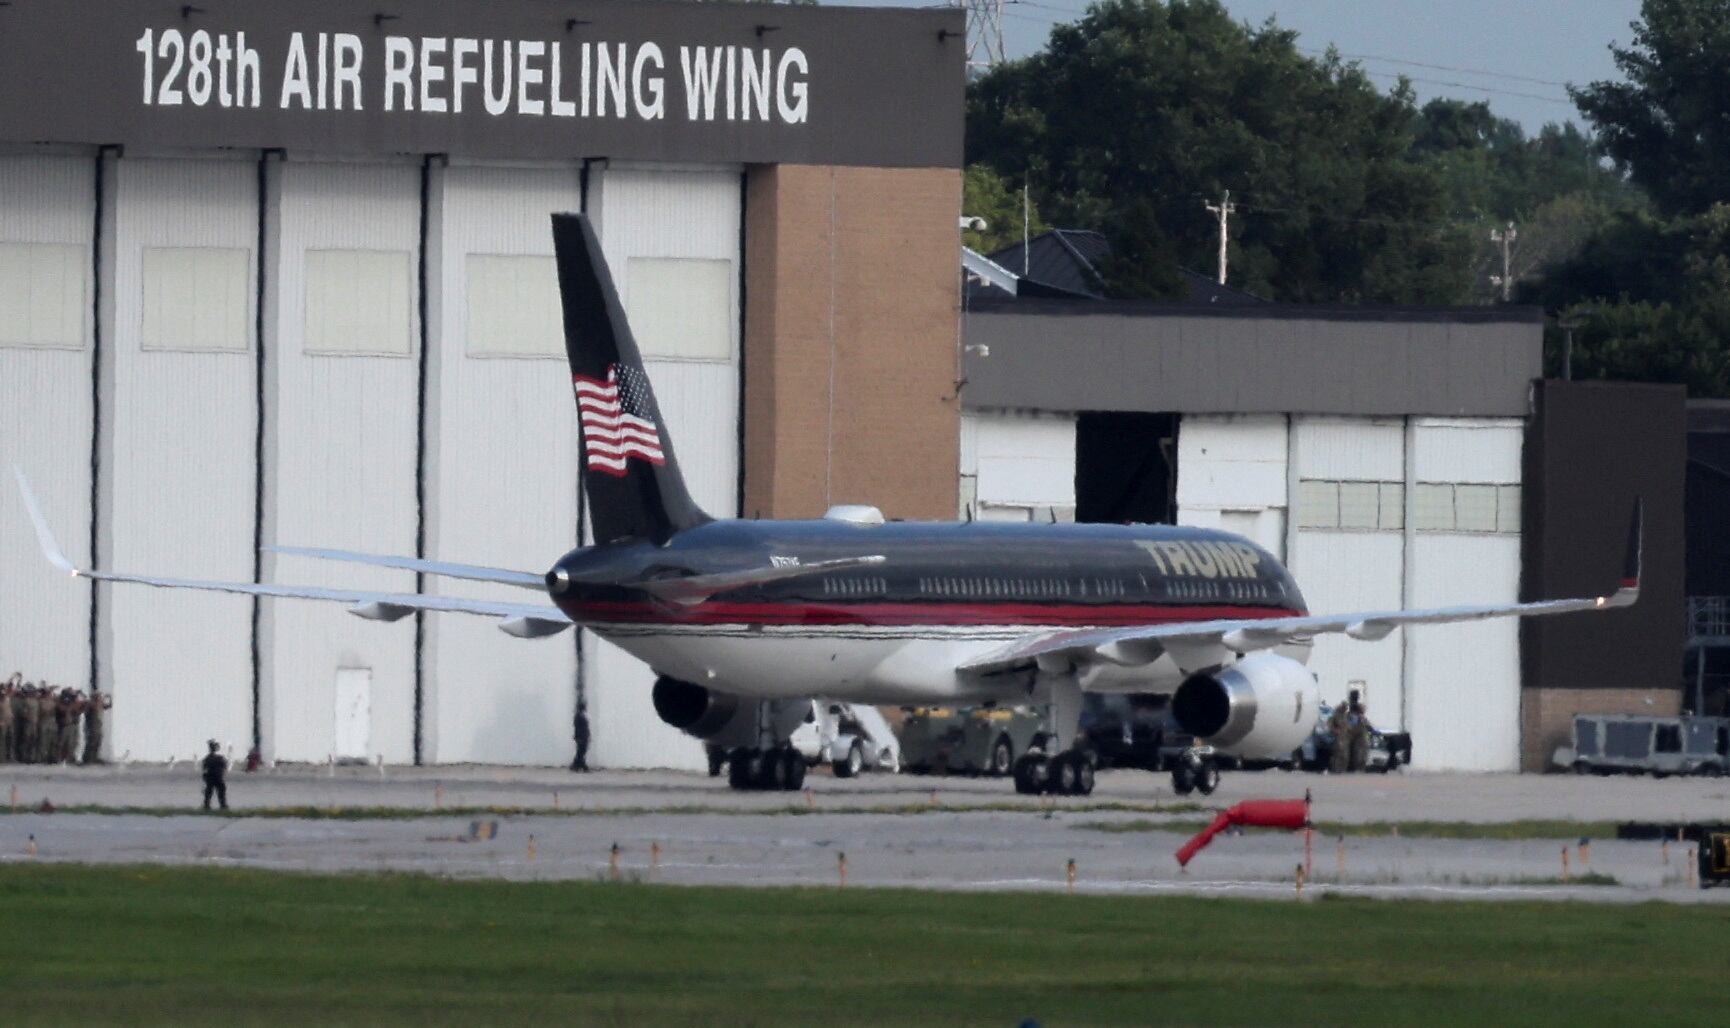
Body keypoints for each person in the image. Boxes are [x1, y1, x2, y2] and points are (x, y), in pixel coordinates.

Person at [82, 689, 110, 765]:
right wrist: (102, 700)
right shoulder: (90, 704)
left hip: (98, 726)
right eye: (98, 696)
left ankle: (94, 757)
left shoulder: (99, 704)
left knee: (97, 742)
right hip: (92, 727)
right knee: (91, 743)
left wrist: (109, 698)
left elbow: (107, 706)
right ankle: (87, 758)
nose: (100, 697)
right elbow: (93, 707)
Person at [201, 740, 229, 811]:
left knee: (209, 793)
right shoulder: (220, 758)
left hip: (210, 777)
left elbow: (204, 768)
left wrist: (205, 778)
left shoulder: (207, 758)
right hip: (218, 777)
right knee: (221, 792)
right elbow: (224, 766)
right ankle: (223, 806)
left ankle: (207, 806)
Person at [1326, 695, 1352, 773]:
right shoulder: (1336, 714)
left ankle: (1342, 769)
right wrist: (1334, 730)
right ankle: (1335, 769)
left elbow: (1347, 725)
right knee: (1338, 754)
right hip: (1338, 738)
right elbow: (1329, 724)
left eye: (1346, 707)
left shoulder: (1345, 715)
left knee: (1345, 755)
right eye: (1345, 707)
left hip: (1345, 737)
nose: (1346, 708)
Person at [1347, 693, 1372, 772]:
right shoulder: (1355, 717)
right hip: (1356, 738)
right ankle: (1357, 767)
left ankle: (1359, 767)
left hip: (1360, 738)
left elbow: (1368, 726)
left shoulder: (1360, 718)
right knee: (1358, 753)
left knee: (1361, 754)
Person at [571, 703, 591, 772]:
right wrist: (578, 737)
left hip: (583, 736)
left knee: (581, 752)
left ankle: (576, 765)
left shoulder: (581, 716)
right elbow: (578, 728)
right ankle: (581, 766)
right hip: (581, 737)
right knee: (581, 752)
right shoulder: (579, 716)